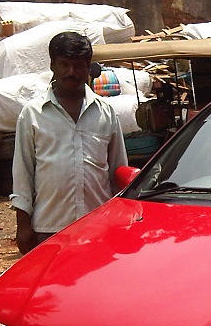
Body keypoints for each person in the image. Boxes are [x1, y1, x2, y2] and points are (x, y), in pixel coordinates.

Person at [11, 31, 127, 255]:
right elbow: (23, 173)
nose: (71, 72)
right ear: (53, 65)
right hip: (49, 228)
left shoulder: (106, 113)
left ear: (88, 68)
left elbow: (118, 172)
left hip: (98, 227)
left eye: (78, 66)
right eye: (64, 64)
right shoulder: (33, 114)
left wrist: (120, 220)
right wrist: (23, 224)